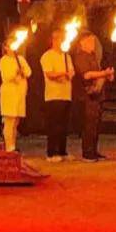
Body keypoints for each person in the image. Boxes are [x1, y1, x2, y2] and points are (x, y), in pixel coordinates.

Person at [72, 32, 112, 162]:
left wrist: (107, 75)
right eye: (90, 42)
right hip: (87, 95)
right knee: (89, 124)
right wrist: (103, 73)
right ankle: (87, 152)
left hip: (98, 94)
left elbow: (98, 73)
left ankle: (94, 150)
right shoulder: (81, 57)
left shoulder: (93, 56)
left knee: (96, 124)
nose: (93, 44)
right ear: (82, 42)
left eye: (93, 42)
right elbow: (86, 75)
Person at [40, 30, 74, 162]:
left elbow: (71, 71)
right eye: (61, 39)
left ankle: (62, 151)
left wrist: (68, 74)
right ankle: (51, 153)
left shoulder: (67, 56)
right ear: (54, 40)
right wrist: (62, 74)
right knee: (54, 125)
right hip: (53, 95)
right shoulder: (47, 56)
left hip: (66, 94)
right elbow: (49, 74)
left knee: (64, 125)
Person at [0, 37, 31, 152]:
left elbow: (28, 72)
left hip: (19, 94)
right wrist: (16, 72)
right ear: (6, 47)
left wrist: (22, 71)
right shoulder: (4, 60)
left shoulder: (20, 59)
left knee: (16, 121)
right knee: (9, 121)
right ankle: (9, 146)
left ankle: (13, 143)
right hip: (9, 94)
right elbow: (6, 76)